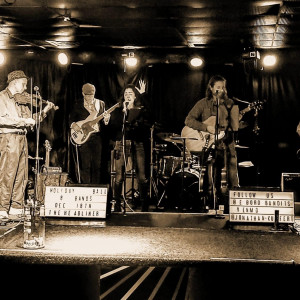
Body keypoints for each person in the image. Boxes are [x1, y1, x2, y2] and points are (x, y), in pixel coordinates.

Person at [0, 70, 55, 220]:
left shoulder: (21, 101)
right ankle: (2, 207)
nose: (25, 88)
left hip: (22, 137)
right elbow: (2, 119)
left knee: (22, 173)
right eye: (23, 84)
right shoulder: (2, 97)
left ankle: (16, 206)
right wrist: (22, 121)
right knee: (8, 173)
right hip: (8, 137)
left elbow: (32, 119)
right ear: (15, 82)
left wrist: (45, 110)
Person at [184, 75, 240, 212]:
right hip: (209, 144)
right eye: (218, 87)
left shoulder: (230, 103)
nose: (221, 90)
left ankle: (229, 204)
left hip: (227, 143)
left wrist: (235, 119)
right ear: (211, 88)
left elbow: (235, 126)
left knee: (231, 173)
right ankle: (209, 202)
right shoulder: (203, 103)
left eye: (223, 87)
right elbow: (188, 121)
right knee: (209, 175)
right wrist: (206, 128)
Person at [110, 81, 149, 212]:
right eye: (126, 93)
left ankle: (144, 204)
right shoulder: (119, 109)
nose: (128, 95)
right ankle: (116, 204)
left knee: (142, 177)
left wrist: (143, 96)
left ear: (135, 96)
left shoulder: (141, 109)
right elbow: (114, 126)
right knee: (119, 176)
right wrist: (123, 112)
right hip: (122, 143)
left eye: (130, 93)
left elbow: (147, 121)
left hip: (137, 143)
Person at [69, 83, 110, 184]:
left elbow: (105, 122)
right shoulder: (78, 104)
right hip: (83, 137)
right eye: (87, 95)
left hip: (97, 137)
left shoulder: (100, 104)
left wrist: (106, 119)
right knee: (85, 165)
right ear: (83, 94)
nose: (90, 97)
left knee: (97, 165)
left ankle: (95, 187)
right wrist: (73, 125)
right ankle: (85, 187)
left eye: (92, 95)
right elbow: (71, 119)